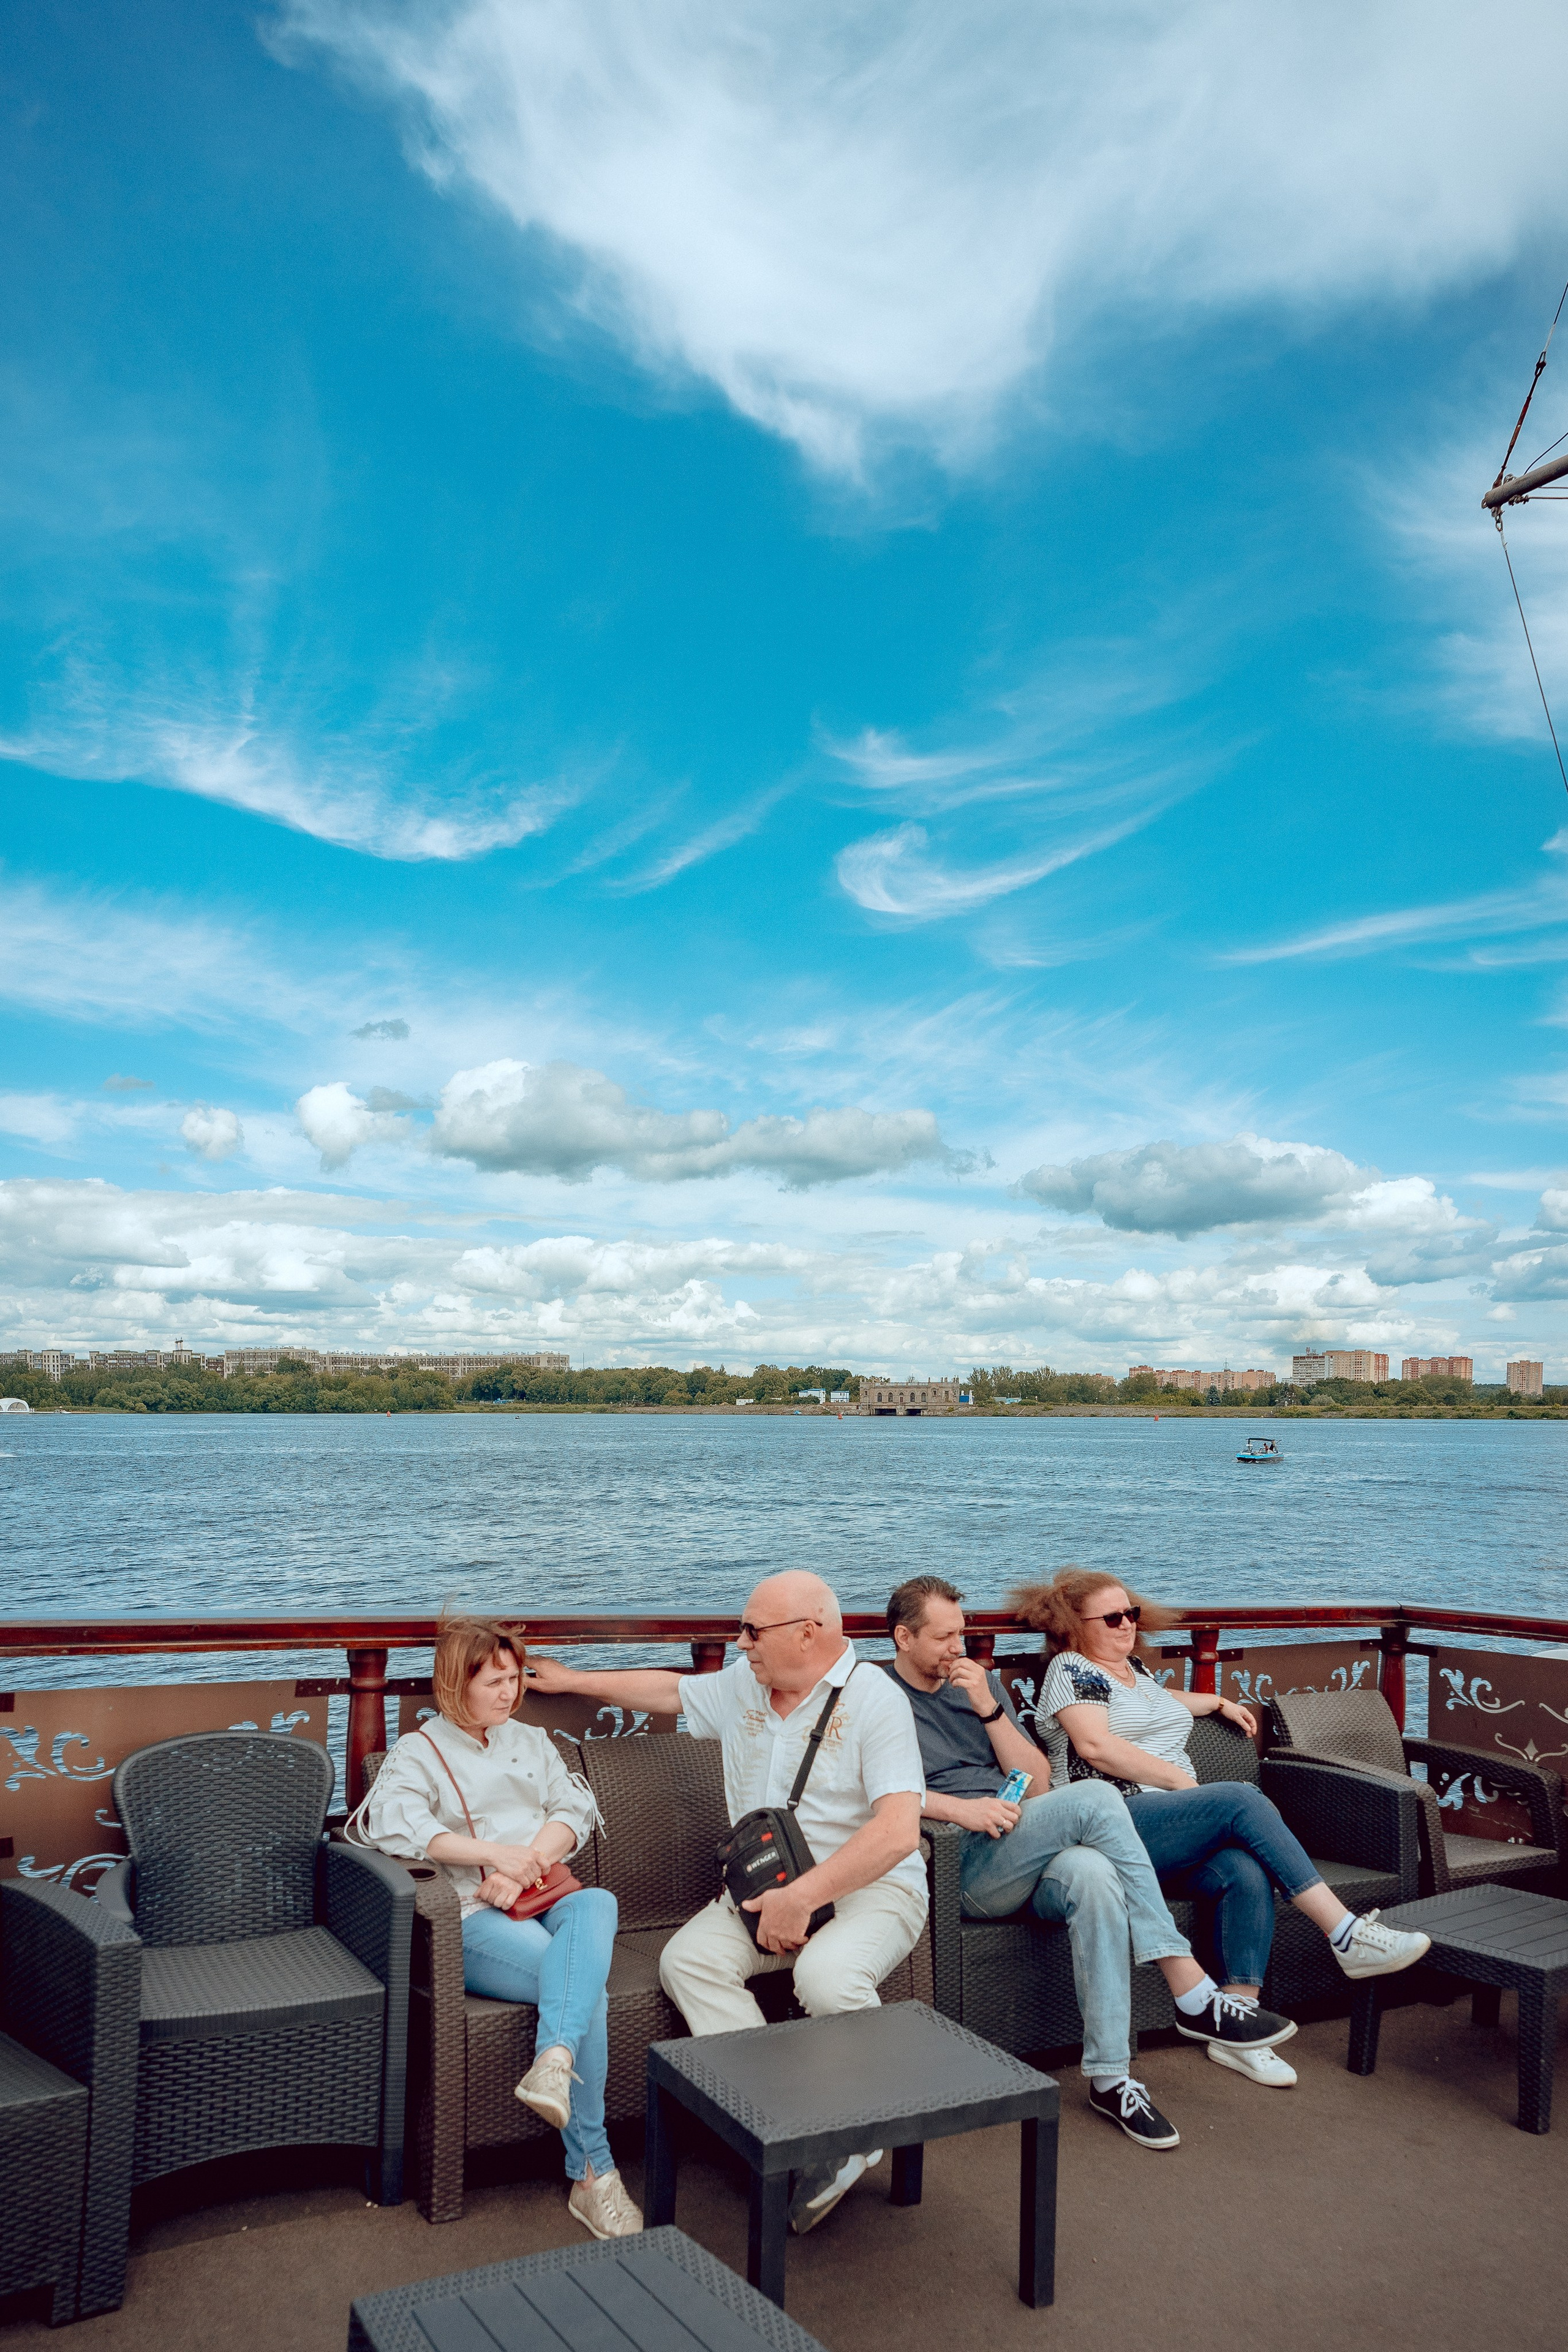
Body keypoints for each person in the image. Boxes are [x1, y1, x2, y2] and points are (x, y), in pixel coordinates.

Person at [527, 1570, 927, 2235]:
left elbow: (896, 1834)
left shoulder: (876, 1701)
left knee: (825, 1978)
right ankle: (782, 2123)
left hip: (871, 1890)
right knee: (687, 1963)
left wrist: (804, 1897)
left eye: (751, 1631)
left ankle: (857, 2133)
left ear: (809, 1633)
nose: (738, 1644)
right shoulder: (748, 1683)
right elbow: (670, 1690)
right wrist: (573, 1680)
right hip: (764, 1893)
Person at [885, 1574, 1295, 2148]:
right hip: (961, 1859)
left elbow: (1038, 1780)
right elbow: (868, 1791)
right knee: (1101, 1798)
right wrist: (962, 1810)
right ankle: (1189, 1985)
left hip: (1017, 1841)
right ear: (903, 1638)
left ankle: (1112, 2077)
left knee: (1096, 1875)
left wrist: (987, 1709)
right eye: (944, 1638)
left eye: (963, 1633)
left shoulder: (978, 1687)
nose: (959, 1648)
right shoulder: (873, 1695)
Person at [1012, 1568, 1432, 2087]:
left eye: (1132, 1613)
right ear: (1074, 1625)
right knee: (1237, 1799)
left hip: (1160, 1831)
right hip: (1111, 1824)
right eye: (1113, 1617)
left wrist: (1214, 1702)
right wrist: (1180, 1783)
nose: (1127, 1625)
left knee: (1241, 1868)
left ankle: (1238, 2026)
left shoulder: (1130, 1670)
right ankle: (1346, 1934)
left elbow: (1154, 1704)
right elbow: (1096, 1745)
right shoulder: (1073, 1670)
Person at [356, 1613, 642, 2239]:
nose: (509, 1693)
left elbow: (575, 1807)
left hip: (542, 1892)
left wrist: (525, 1862)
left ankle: (552, 2059)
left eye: (515, 1679)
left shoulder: (530, 1740)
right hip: (471, 1913)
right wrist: (492, 1859)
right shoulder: (419, 1752)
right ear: (455, 1684)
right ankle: (593, 2175)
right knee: (581, 1989)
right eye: (494, 1682)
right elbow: (395, 1826)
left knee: (596, 1903)